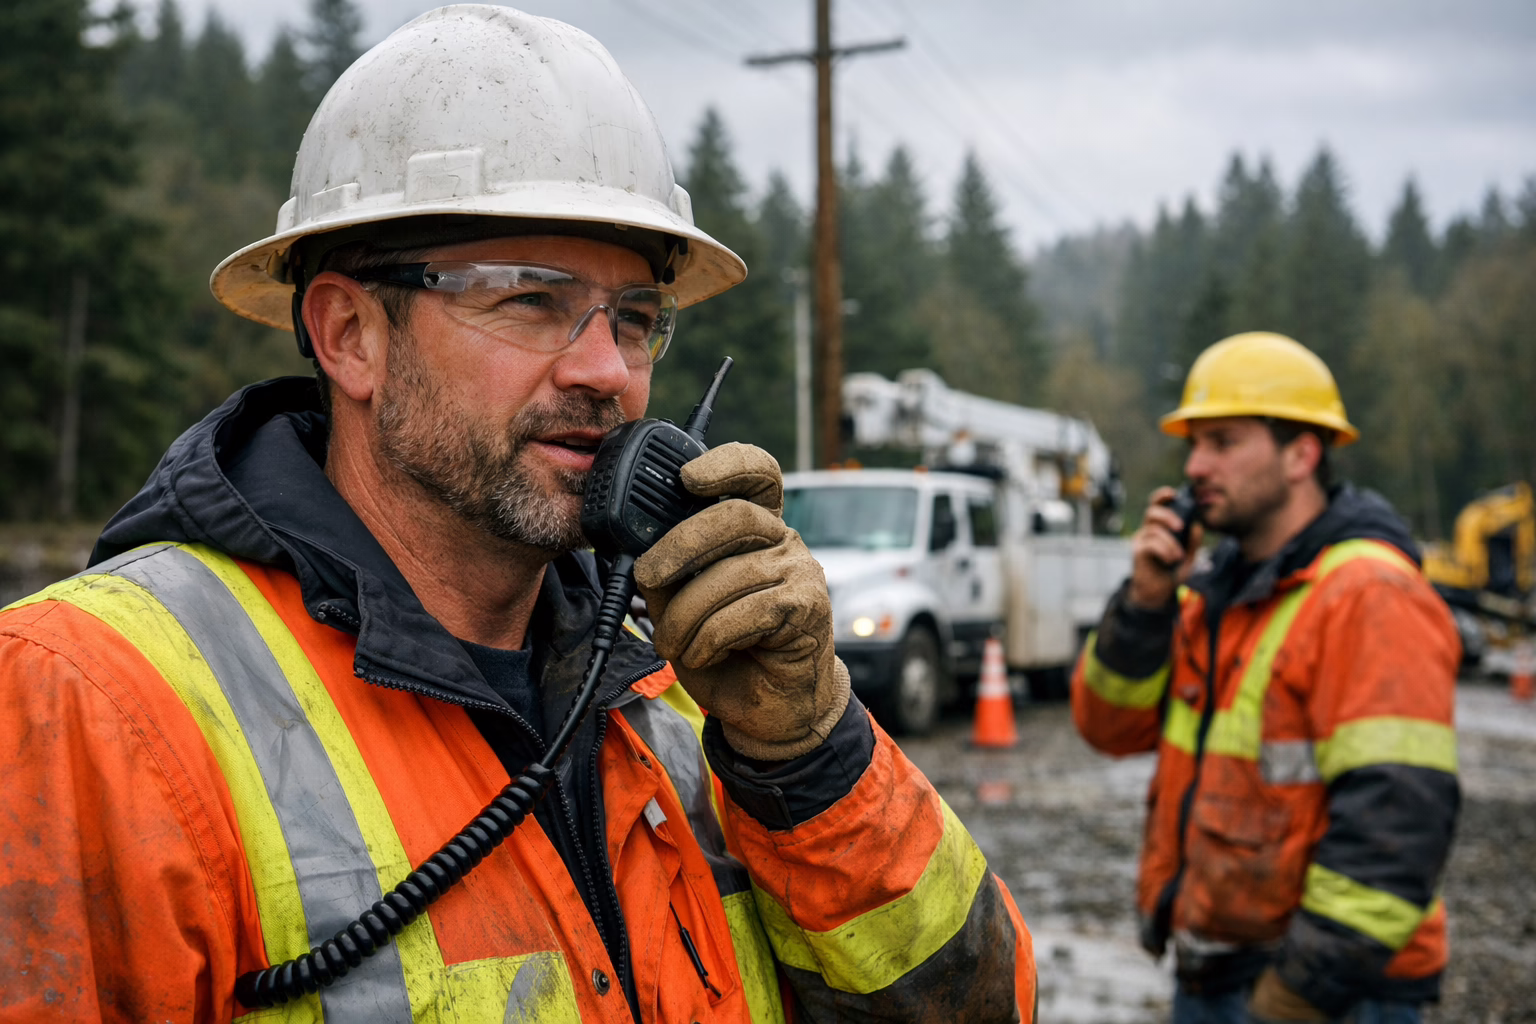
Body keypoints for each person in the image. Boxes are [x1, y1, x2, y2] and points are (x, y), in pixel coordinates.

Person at [0, 7, 1036, 1022]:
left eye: (636, 319)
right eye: (531, 299)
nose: (607, 371)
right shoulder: (86, 702)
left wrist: (811, 758)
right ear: (349, 334)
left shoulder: (686, 686)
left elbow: (983, 1006)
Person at [1071, 332, 1459, 1023]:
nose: (1195, 465)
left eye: (1223, 442)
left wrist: (1302, 991)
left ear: (1301, 454)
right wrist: (1144, 605)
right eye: (1194, 444)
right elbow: (1108, 727)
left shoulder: (1367, 593)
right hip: (1216, 971)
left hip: (1331, 995)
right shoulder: (1215, 592)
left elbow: (1397, 820)